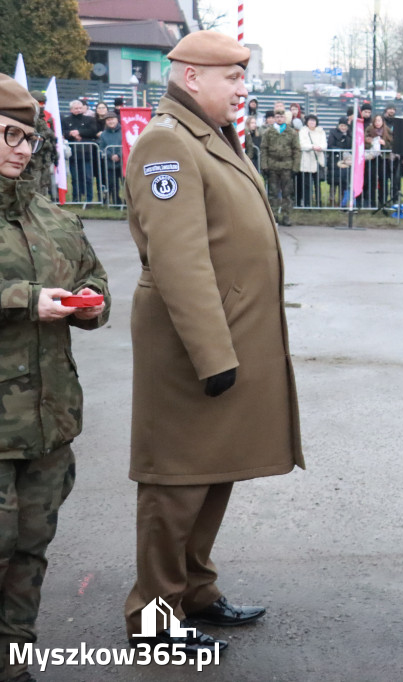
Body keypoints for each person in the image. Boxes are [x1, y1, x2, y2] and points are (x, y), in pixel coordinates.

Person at [122, 31, 304, 654]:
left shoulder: (206, 136)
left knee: (213, 473)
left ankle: (193, 591)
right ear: (192, 77)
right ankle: (153, 619)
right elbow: (180, 262)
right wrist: (214, 356)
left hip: (225, 346)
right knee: (175, 485)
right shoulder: (166, 145)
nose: (243, 87)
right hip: (193, 354)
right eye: (233, 77)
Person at [0, 73, 109, 682]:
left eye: (29, 138)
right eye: (10, 134)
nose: (22, 147)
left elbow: (94, 277)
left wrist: (88, 301)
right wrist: (25, 298)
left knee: (30, 549)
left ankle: (14, 663)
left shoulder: (51, 216)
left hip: (48, 422)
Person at [261, 108, 300, 226]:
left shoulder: (291, 132)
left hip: (287, 166)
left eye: (281, 117)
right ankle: (273, 216)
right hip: (273, 165)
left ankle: (286, 216)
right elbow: (264, 149)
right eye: (277, 117)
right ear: (274, 118)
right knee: (273, 193)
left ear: (285, 118)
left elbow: (296, 150)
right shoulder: (268, 132)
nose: (279, 119)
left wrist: (295, 167)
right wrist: (264, 165)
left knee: (287, 193)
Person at [23, 90, 56, 198]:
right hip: (33, 160)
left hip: (43, 160)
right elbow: (33, 137)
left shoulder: (41, 120)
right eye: (39, 103)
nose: (42, 106)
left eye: (43, 103)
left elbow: (48, 138)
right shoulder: (28, 119)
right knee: (34, 187)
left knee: (43, 185)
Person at [62, 100, 97, 202]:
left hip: (87, 154)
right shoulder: (66, 120)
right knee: (75, 179)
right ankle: (76, 198)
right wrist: (71, 134)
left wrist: (79, 132)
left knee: (88, 178)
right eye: (76, 108)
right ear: (71, 109)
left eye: (80, 108)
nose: (78, 110)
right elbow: (63, 132)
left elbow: (93, 131)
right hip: (73, 154)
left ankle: (89, 199)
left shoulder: (90, 119)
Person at [298, 113, 326, 207]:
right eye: (310, 120)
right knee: (307, 185)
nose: (312, 122)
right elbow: (302, 144)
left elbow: (324, 144)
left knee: (318, 185)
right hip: (307, 161)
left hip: (318, 160)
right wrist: (312, 147)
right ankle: (307, 204)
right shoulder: (303, 131)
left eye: (314, 120)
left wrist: (320, 147)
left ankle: (319, 204)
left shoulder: (321, 131)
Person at [365, 114, 392, 209]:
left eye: (379, 121)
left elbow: (391, 144)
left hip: (383, 159)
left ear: (382, 121)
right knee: (371, 180)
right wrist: (370, 142)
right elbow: (364, 142)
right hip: (372, 158)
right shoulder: (369, 129)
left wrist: (384, 144)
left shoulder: (387, 130)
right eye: (376, 121)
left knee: (384, 180)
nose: (377, 123)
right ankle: (371, 202)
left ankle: (383, 201)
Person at [97, 114, 123, 204]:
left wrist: (119, 155)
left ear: (117, 120)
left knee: (127, 184)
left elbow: (126, 144)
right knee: (113, 184)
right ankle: (116, 201)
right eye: (108, 120)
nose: (110, 121)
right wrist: (110, 155)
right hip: (110, 163)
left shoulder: (124, 131)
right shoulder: (103, 134)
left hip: (123, 163)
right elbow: (102, 147)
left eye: (112, 119)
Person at [327, 117, 351, 206]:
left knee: (343, 182)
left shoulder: (349, 135)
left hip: (345, 161)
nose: (343, 127)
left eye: (345, 126)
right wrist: (341, 149)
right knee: (333, 182)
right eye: (341, 125)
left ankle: (342, 200)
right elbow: (330, 145)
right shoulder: (333, 133)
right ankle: (332, 200)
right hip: (334, 160)